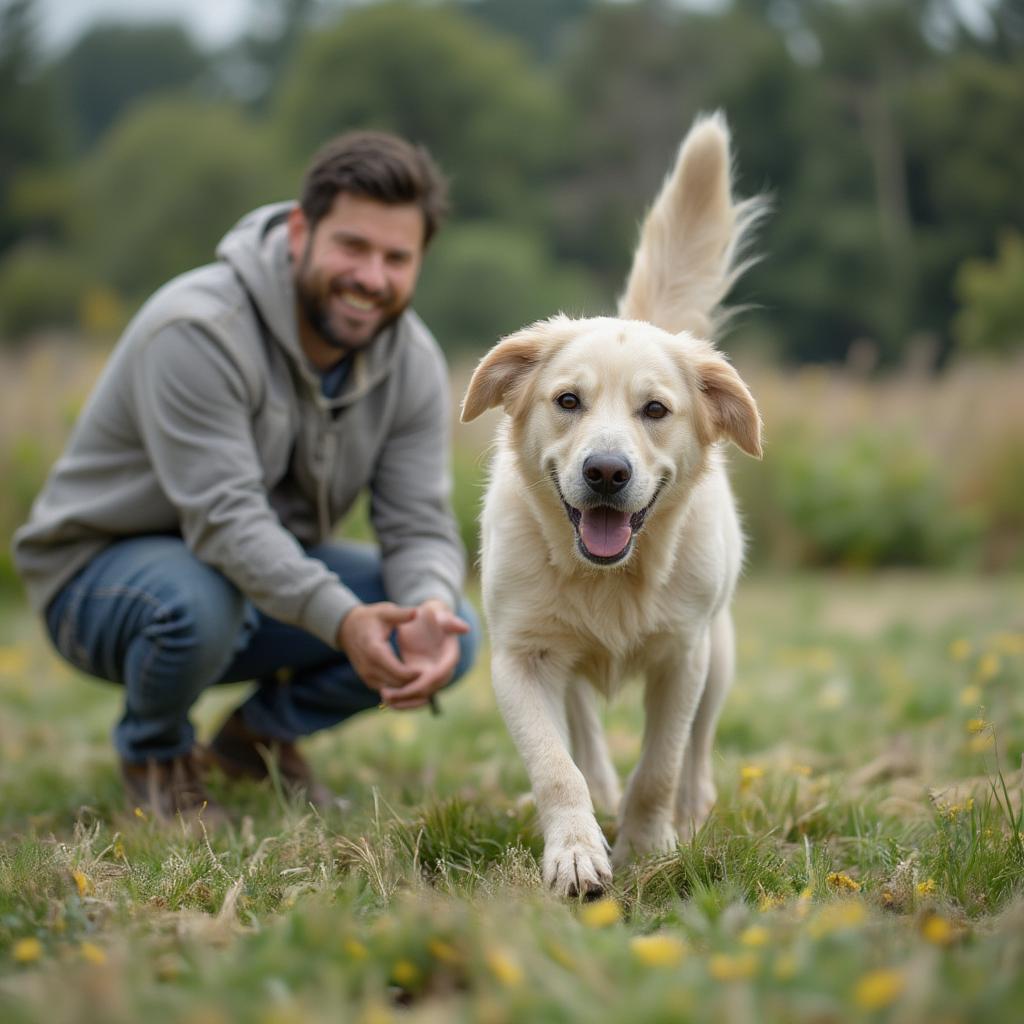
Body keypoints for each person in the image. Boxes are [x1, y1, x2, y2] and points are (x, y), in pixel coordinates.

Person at [12, 130, 479, 826]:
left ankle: (254, 743)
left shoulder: (411, 360)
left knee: (456, 631)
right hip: (99, 581)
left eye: (396, 258)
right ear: (300, 231)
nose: (372, 278)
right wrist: (344, 620)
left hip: (252, 585)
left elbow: (417, 522)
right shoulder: (197, 328)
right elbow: (227, 523)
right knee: (198, 603)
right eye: (352, 246)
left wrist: (430, 606)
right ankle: (155, 755)